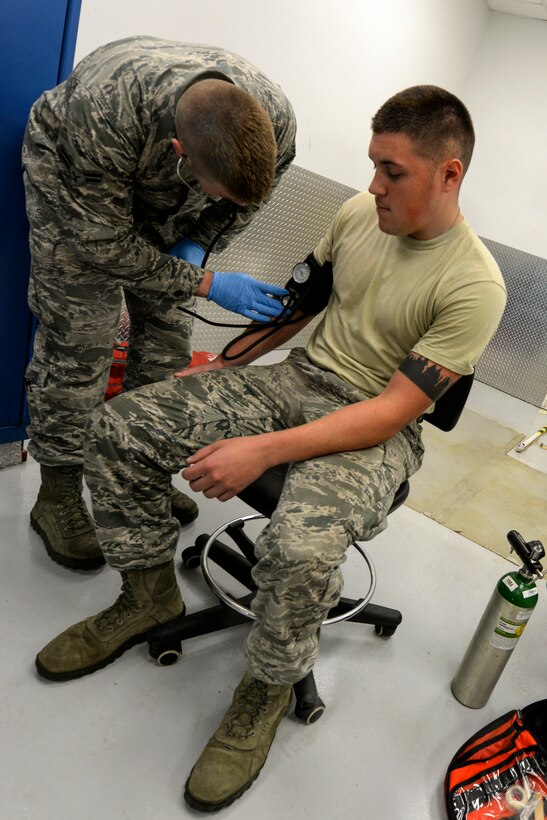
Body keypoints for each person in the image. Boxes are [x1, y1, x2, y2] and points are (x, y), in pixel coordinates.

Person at [35, 86, 506, 811]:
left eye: (393, 171)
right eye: (372, 164)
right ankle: (146, 594)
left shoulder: (476, 284)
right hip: (299, 380)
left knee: (300, 549)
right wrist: (222, 372)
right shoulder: (357, 214)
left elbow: (387, 412)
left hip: (377, 428)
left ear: (448, 174)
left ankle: (265, 689)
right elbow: (298, 309)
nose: (373, 185)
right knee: (123, 425)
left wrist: (258, 448)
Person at [22, 36, 296, 570]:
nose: (225, 205)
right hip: (76, 186)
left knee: (167, 338)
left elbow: (237, 205)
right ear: (180, 154)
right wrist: (207, 283)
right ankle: (57, 494)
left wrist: (196, 244)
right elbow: (101, 243)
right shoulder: (105, 108)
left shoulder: (276, 125)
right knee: (82, 340)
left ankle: (135, 467)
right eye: (216, 190)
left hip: (170, 189)